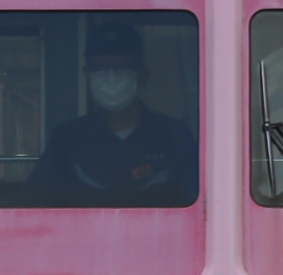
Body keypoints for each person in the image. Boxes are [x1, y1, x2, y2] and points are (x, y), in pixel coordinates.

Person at [27, 20, 198, 206]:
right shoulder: (67, 139)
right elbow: (37, 203)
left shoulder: (173, 136)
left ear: (141, 73)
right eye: (100, 68)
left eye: (120, 67)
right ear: (87, 74)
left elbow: (198, 204)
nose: (110, 77)